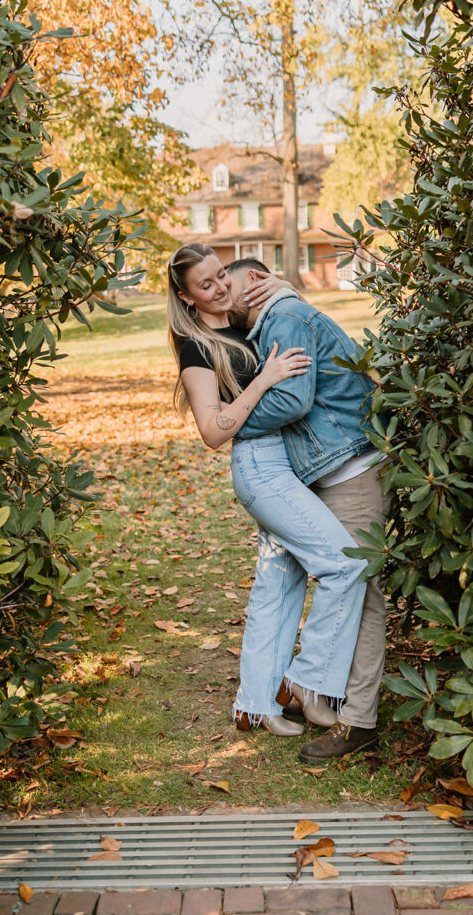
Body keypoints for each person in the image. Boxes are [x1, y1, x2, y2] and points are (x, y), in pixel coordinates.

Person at [167, 244, 371, 737]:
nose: (220, 289)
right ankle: (304, 680)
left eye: (221, 276)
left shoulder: (242, 322)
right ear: (186, 296)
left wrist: (285, 289)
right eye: (206, 285)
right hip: (260, 466)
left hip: (289, 461)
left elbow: (291, 323)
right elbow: (213, 432)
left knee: (278, 586)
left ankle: (256, 705)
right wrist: (263, 382)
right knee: (345, 564)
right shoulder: (197, 348)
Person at [226, 257, 390, 762]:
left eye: (225, 284)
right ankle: (318, 691)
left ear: (256, 280)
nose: (218, 294)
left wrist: (224, 423)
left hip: (351, 469)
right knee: (335, 582)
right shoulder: (274, 320)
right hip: (322, 469)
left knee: (362, 592)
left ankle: (356, 720)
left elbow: (292, 403)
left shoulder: (286, 316)